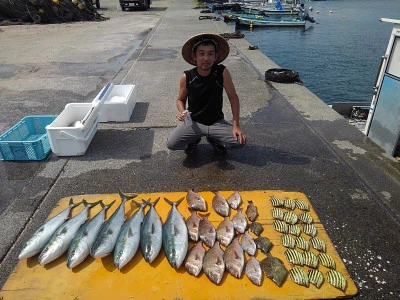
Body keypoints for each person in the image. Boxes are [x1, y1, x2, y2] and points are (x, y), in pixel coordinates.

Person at [166, 33, 247, 155]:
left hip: (216, 122)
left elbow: (233, 98)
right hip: (193, 122)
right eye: (201, 53)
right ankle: (193, 140)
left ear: (216, 56)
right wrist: (182, 112)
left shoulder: (222, 72)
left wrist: (236, 126)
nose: (206, 58)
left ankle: (215, 140)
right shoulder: (187, 76)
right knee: (171, 144)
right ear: (194, 56)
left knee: (240, 141)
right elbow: (180, 100)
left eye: (210, 53)